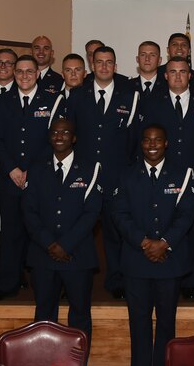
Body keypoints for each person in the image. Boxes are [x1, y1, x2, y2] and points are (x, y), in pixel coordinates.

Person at [112, 124, 194, 366]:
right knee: (138, 323)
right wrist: (144, 242)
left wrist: (164, 243)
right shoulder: (127, 175)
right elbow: (119, 213)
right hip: (136, 261)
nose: (152, 145)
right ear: (141, 144)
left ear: (166, 143)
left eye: (157, 140)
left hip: (169, 262)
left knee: (166, 323)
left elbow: (187, 214)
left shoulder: (182, 174)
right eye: (148, 140)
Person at [134, 55, 194, 299]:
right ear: (165, 75)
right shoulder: (152, 104)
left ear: (190, 75)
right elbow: (145, 142)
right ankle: (163, 273)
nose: (178, 76)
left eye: (183, 72)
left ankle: (190, 280)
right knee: (166, 225)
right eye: (173, 72)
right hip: (163, 178)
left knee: (193, 231)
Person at [0, 55, 64, 301]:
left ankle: (50, 285)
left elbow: (56, 140)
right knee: (10, 234)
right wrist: (12, 169)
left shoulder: (53, 101)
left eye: (30, 71)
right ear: (13, 73)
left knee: (43, 233)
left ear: (38, 73)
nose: (24, 75)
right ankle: (8, 283)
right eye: (19, 71)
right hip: (10, 179)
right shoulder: (0, 101)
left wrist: (32, 170)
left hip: (41, 179)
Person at [65, 45, 139, 299]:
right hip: (82, 176)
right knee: (76, 229)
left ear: (116, 67)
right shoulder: (77, 95)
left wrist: (129, 172)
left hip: (116, 176)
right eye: (100, 62)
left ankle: (116, 280)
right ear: (92, 66)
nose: (104, 66)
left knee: (115, 232)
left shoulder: (130, 95)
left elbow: (134, 138)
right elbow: (68, 135)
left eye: (109, 62)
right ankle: (71, 280)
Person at [23, 118, 103, 335]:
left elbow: (92, 213)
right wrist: (50, 243)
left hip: (77, 255)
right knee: (44, 317)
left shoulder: (90, 169)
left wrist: (65, 245)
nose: (59, 137)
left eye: (65, 133)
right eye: (55, 133)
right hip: (43, 255)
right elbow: (29, 212)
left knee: (80, 315)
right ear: (49, 137)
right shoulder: (37, 169)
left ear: (74, 138)